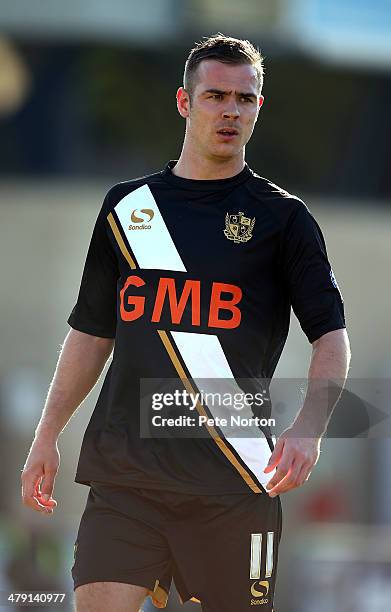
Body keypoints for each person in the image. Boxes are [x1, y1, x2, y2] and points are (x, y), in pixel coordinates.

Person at [21, 34, 350, 612]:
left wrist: (310, 428)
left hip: (233, 484)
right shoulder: (127, 210)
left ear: (258, 109)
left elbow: (331, 336)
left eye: (244, 99)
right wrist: (47, 432)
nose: (230, 111)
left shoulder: (284, 220)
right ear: (184, 102)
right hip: (126, 482)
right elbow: (91, 332)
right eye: (215, 95)